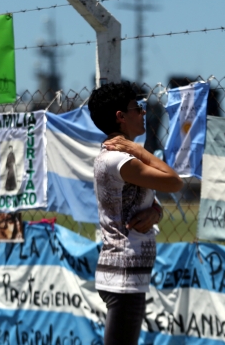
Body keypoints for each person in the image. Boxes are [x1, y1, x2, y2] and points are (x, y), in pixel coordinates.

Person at [88, 81, 183, 345]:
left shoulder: (115, 157)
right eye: (136, 108)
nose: (143, 113)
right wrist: (141, 150)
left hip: (126, 272)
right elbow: (175, 182)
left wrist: (156, 212)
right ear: (120, 117)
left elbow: (136, 201)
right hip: (124, 274)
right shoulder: (121, 159)